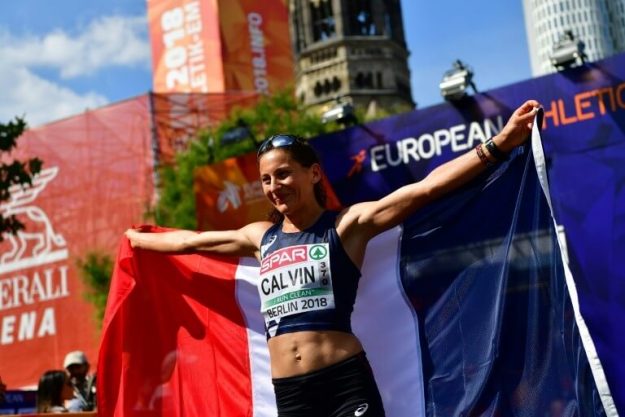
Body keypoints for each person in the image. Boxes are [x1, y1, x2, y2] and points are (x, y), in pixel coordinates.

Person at [126, 100, 541, 417]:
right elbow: (189, 243)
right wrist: (135, 241)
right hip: (290, 393)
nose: (275, 186)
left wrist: (500, 143)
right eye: (267, 179)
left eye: (284, 174)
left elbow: (426, 190)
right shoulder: (260, 237)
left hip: (344, 382)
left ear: (313, 174)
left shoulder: (348, 224)